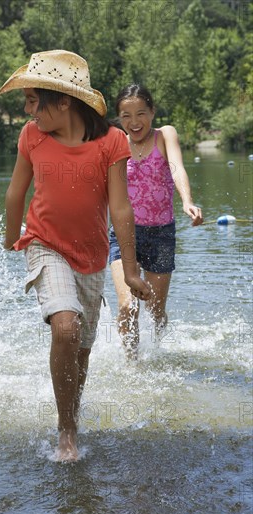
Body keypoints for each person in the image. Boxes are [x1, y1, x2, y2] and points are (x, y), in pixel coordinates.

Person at [0, 50, 151, 462]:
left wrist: (131, 271)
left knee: (80, 351)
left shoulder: (112, 141)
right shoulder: (32, 136)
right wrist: (13, 237)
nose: (28, 110)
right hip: (45, 244)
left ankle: (72, 416)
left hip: (93, 256)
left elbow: (120, 208)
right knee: (65, 328)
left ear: (63, 101)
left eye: (33, 100)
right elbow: (16, 191)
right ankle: (65, 432)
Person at [109, 84, 203, 359]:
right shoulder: (115, 141)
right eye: (126, 116)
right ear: (119, 118)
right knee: (128, 306)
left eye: (141, 113)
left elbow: (177, 167)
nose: (134, 122)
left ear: (152, 111)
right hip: (124, 234)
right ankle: (132, 366)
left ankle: (160, 351)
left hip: (161, 234)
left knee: (154, 309)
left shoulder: (166, 135)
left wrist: (187, 200)